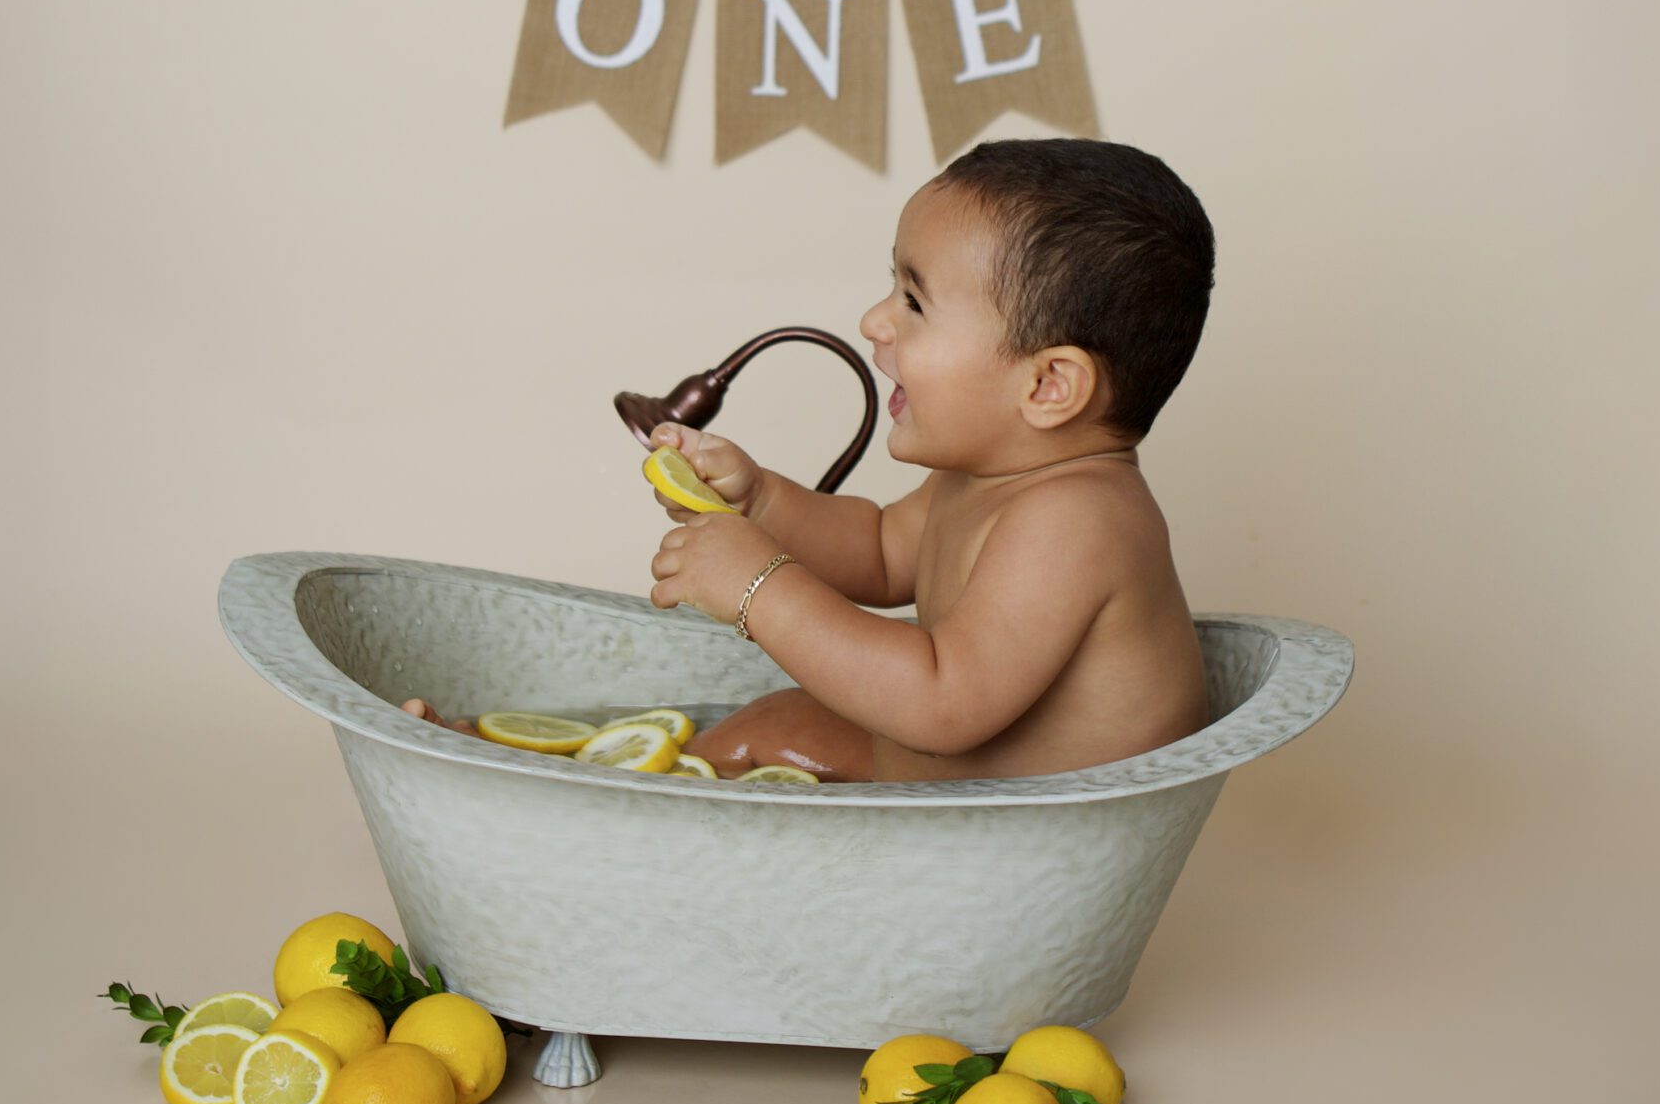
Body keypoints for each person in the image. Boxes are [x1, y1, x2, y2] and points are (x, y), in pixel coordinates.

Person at [405, 138, 1215, 783]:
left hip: (1023, 848)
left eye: (914, 301)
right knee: (770, 725)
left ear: (1047, 386)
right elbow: (876, 549)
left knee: (762, 740)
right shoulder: (988, 478)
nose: (874, 320)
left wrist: (758, 588)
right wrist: (760, 504)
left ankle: (549, 797)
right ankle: (528, 768)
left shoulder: (1078, 520)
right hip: (950, 787)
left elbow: (942, 702)